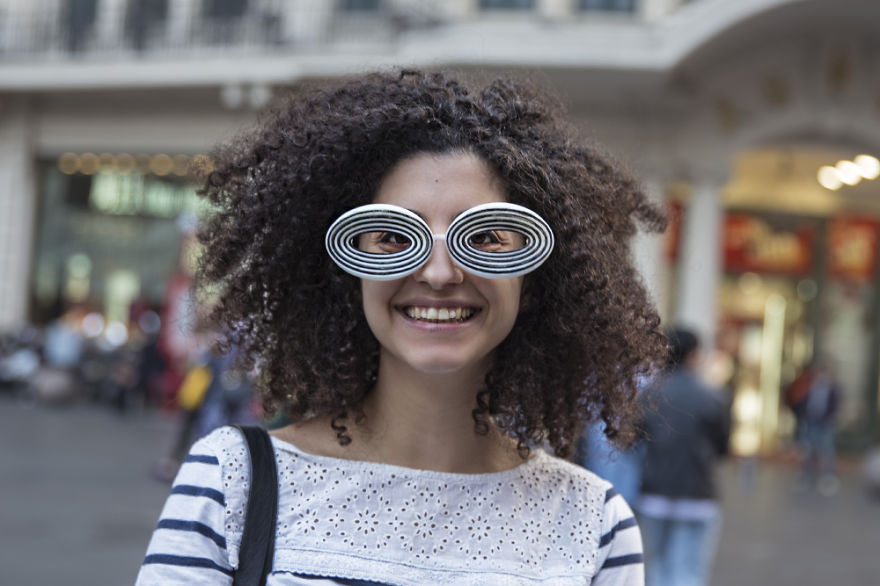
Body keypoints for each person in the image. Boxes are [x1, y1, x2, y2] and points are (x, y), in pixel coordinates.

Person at [136, 70, 667, 585]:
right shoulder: (232, 484)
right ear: (351, 270)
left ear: (533, 280)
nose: (439, 274)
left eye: (484, 238)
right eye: (394, 237)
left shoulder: (594, 525)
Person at [635, 328, 730, 586]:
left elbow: (632, 440)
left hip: (655, 492)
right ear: (694, 354)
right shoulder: (712, 397)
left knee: (658, 568)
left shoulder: (649, 395)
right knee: (689, 571)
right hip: (698, 494)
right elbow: (723, 448)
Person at [785, 357, 841, 495]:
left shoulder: (832, 390)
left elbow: (834, 407)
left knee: (826, 450)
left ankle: (828, 477)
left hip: (824, 424)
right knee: (808, 450)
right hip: (810, 422)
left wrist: (827, 417)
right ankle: (806, 476)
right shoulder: (809, 387)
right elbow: (798, 401)